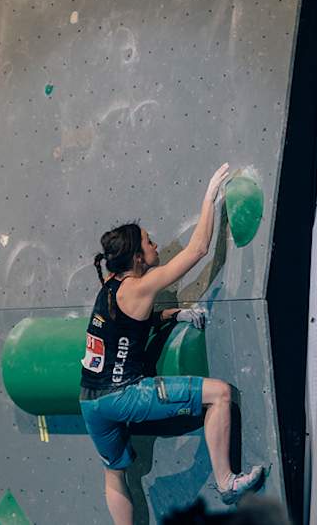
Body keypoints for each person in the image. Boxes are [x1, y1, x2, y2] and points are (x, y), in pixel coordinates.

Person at [79, 164, 264, 524]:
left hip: (91, 402)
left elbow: (131, 327)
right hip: (124, 394)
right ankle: (226, 482)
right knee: (221, 395)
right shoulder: (141, 285)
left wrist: (174, 315)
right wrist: (210, 197)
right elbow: (198, 250)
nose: (155, 245)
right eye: (149, 242)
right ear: (137, 258)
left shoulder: (110, 288)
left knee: (115, 475)